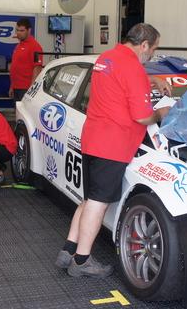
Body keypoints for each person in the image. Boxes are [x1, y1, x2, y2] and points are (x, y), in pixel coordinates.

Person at [55, 23, 172, 278]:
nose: (152, 54)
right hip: (113, 144)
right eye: (153, 49)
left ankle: (68, 251)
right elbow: (142, 117)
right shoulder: (133, 68)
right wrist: (162, 112)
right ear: (144, 45)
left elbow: (121, 83)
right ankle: (82, 261)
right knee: (98, 203)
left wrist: (153, 79)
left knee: (89, 199)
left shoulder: (106, 57)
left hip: (93, 137)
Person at [8, 17, 43, 101]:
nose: (19, 33)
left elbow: (37, 67)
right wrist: (12, 86)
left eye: (22, 31)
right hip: (16, 87)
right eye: (17, 30)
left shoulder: (34, 46)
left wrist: (31, 89)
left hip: (26, 88)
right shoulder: (18, 46)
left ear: (29, 30)